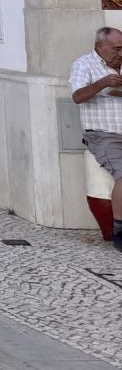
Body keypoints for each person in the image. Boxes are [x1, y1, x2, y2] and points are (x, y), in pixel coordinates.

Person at [70, 26, 122, 252]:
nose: (121, 53)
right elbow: (78, 96)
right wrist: (104, 82)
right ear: (99, 47)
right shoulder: (83, 64)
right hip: (103, 134)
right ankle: (120, 229)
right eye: (117, 49)